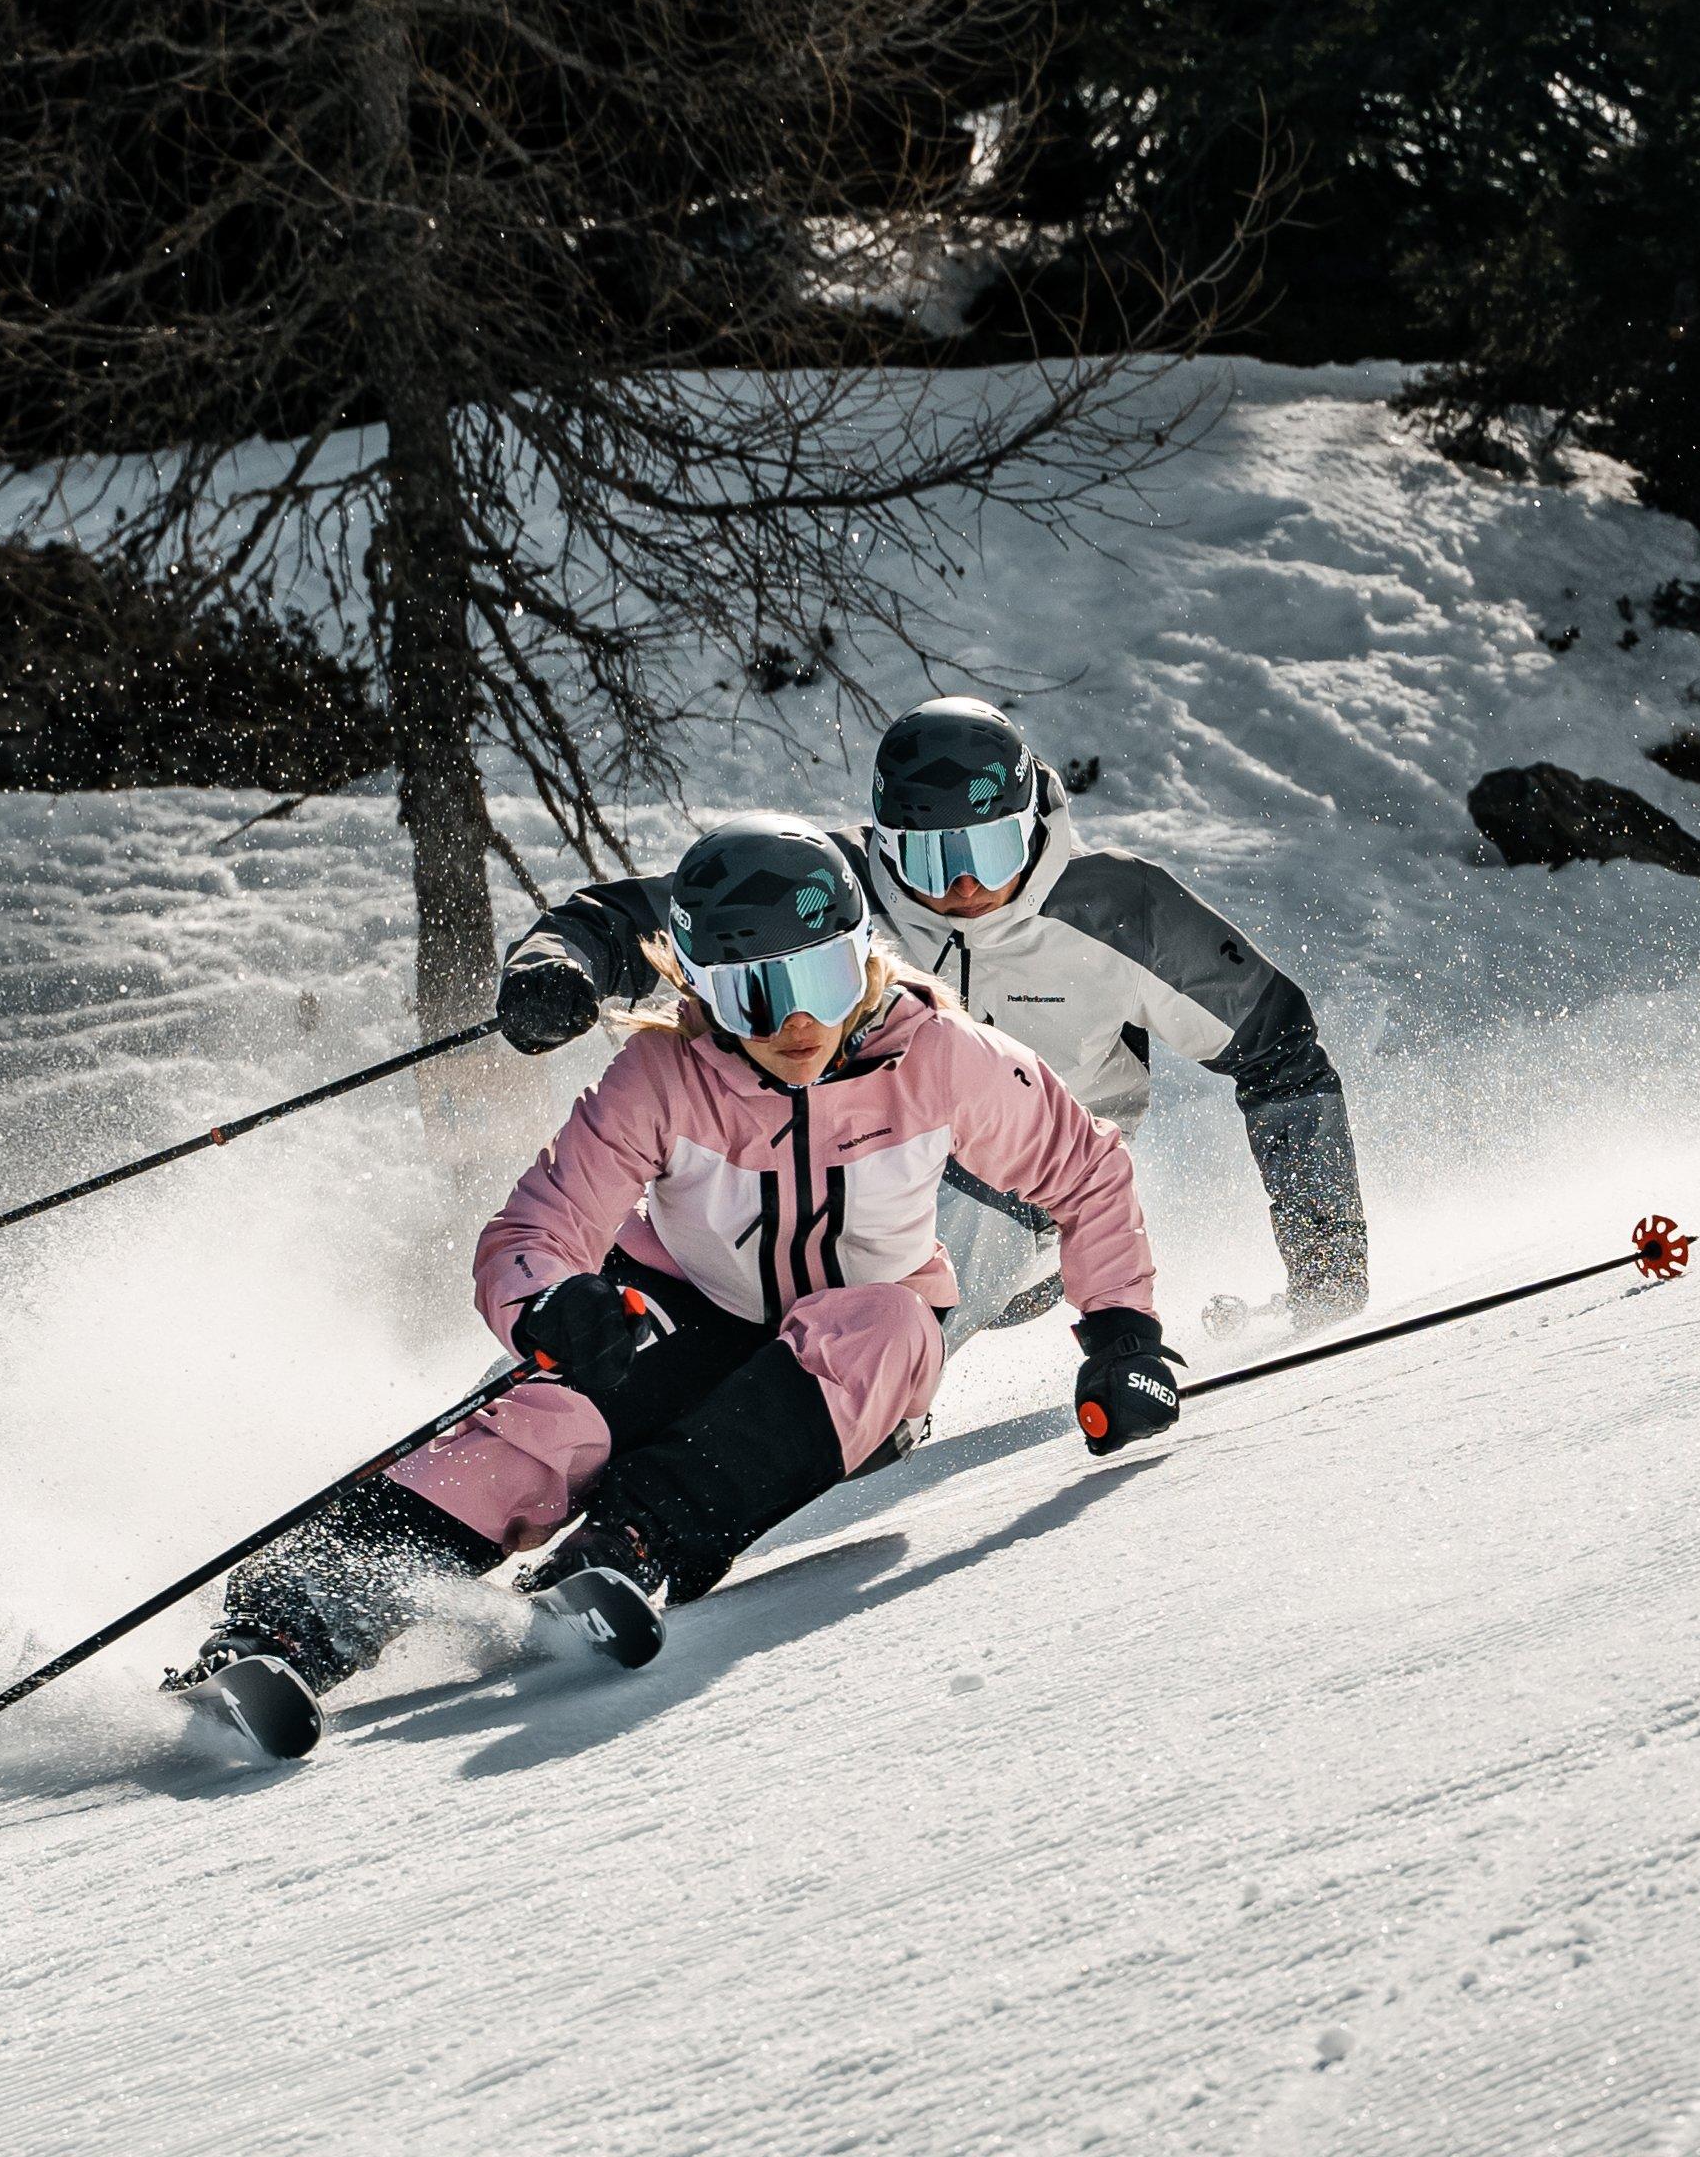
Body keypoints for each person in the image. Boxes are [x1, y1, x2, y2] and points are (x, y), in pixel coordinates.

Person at [166, 818, 1182, 1740]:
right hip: (680, 1319)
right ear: (699, 986)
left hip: (852, 1363)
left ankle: (628, 1547)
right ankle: (289, 1626)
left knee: (888, 1323)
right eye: (754, 992)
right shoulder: (663, 1077)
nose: (795, 1023)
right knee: (546, 1423)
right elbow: (534, 1229)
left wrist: (1124, 1339)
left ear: (864, 959)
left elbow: (1085, 1171)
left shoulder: (943, 1059)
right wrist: (551, 1304)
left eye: (821, 980)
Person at [494, 696, 1368, 1346]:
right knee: (687, 1214)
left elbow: (1280, 1047)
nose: (959, 888)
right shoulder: (827, 890)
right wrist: (559, 965)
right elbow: (651, 915)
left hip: (1019, 1210)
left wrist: (1327, 1261)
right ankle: (534, 1399)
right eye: (925, 855)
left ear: (1032, 820)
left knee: (915, 1210)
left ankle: (775, 1418)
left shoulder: (1119, 909)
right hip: (819, 1175)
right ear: (884, 841)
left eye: (985, 849)